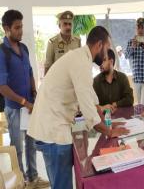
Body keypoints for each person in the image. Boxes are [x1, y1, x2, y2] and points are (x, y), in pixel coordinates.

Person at [28, 26, 129, 189]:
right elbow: (88, 107)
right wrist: (109, 131)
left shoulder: (81, 59)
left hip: (52, 128)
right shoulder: (80, 61)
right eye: (108, 49)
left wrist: (108, 124)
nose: (107, 55)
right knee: (62, 186)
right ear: (99, 45)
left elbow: (92, 100)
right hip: (53, 131)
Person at [0, 10, 50, 188]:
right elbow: (2, 87)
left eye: (21, 26)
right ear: (6, 28)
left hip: (29, 106)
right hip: (15, 109)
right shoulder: (2, 52)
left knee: (31, 144)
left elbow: (29, 72)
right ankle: (22, 182)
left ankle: (33, 178)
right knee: (17, 148)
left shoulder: (24, 48)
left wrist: (34, 92)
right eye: (17, 27)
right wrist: (23, 102)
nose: (21, 31)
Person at [125, 17, 144, 106]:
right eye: (138, 27)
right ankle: (140, 120)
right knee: (138, 105)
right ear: (136, 28)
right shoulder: (131, 42)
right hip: (136, 78)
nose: (140, 30)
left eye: (142, 27)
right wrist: (132, 47)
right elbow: (126, 56)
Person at [93, 49, 134, 113]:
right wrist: (103, 108)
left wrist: (115, 104)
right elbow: (91, 105)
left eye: (103, 60)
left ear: (111, 61)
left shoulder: (122, 77)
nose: (100, 64)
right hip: (103, 119)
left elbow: (130, 99)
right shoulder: (96, 81)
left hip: (122, 117)